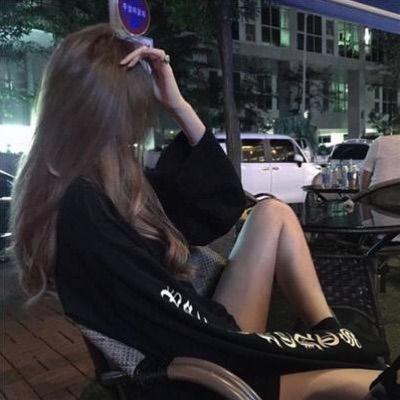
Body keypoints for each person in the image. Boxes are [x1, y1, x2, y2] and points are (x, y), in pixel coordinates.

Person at [10, 24, 398, 400]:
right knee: (367, 382)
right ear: (109, 112)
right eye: (139, 108)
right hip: (193, 374)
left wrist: (179, 105)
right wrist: (277, 352)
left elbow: (219, 203)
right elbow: (171, 326)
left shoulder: (104, 184)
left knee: (273, 213)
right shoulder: (84, 207)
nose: (142, 124)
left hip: (197, 337)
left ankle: (328, 329)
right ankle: (333, 342)